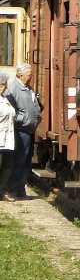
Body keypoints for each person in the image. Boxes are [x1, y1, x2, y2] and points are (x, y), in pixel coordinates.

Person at [5, 64, 41, 199]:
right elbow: (9, 108)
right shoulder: (13, 89)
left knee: (25, 161)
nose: (30, 76)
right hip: (20, 131)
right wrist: (21, 119)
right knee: (19, 161)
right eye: (28, 73)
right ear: (20, 75)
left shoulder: (27, 88)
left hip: (29, 129)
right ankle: (14, 190)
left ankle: (21, 190)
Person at [0, 71, 16, 201]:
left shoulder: (5, 99)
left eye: (4, 85)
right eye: (3, 85)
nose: (4, 87)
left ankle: (3, 191)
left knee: (7, 166)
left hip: (8, 139)